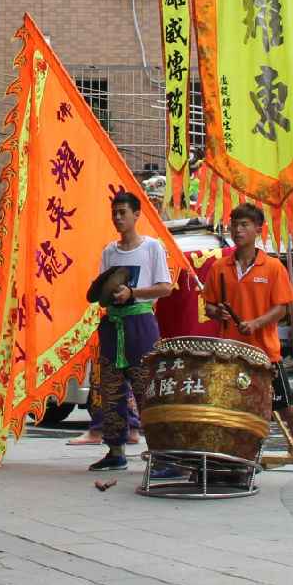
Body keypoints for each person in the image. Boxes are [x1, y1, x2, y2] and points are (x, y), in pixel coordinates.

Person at [204, 204, 293, 488]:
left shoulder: (273, 267)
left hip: (264, 355)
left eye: (243, 225)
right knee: (230, 413)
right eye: (233, 224)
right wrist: (216, 311)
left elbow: (281, 309)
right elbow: (209, 305)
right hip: (229, 355)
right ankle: (236, 466)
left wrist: (254, 324)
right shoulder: (219, 267)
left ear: (258, 230)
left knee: (289, 412)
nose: (237, 230)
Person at [68, 191, 173, 473]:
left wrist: (134, 292)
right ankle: (116, 451)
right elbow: (103, 292)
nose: (118, 218)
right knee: (111, 388)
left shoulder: (152, 248)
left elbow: (166, 287)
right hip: (113, 325)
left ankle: (161, 454)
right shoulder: (109, 252)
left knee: (146, 387)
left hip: (141, 323)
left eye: (123, 213)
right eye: (115, 213)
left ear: (137, 215)